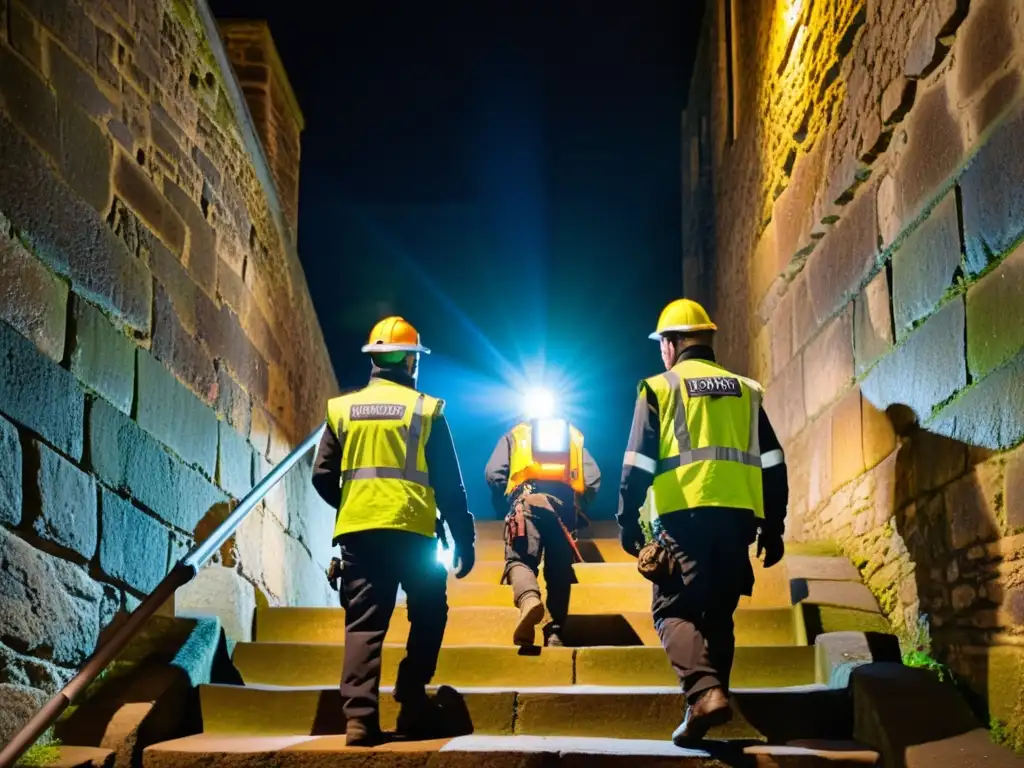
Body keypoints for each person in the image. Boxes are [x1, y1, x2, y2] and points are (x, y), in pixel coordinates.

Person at [616, 298, 788, 746]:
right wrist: (775, 523)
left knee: (672, 610)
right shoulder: (746, 391)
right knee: (718, 616)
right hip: (737, 520)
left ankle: (704, 692)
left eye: (662, 344)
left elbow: (637, 462)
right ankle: (702, 712)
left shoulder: (660, 388)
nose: (662, 352)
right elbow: (773, 460)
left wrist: (626, 520)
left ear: (672, 343)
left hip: (684, 516)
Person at [311, 316, 476, 746]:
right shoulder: (426, 409)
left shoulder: (342, 409)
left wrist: (354, 506)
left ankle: (360, 721)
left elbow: (322, 474)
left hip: (360, 534)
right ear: (410, 362)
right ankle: (410, 690)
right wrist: (465, 539)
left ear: (374, 360)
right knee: (429, 613)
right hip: (414, 531)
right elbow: (449, 484)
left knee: (364, 624)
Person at [485, 396, 601, 647]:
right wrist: (579, 504)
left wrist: (506, 500)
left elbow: (493, 474)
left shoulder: (515, 435)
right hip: (563, 511)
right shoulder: (573, 437)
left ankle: (528, 599)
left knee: (520, 559)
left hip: (528, 502)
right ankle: (555, 632)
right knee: (559, 571)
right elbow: (592, 479)